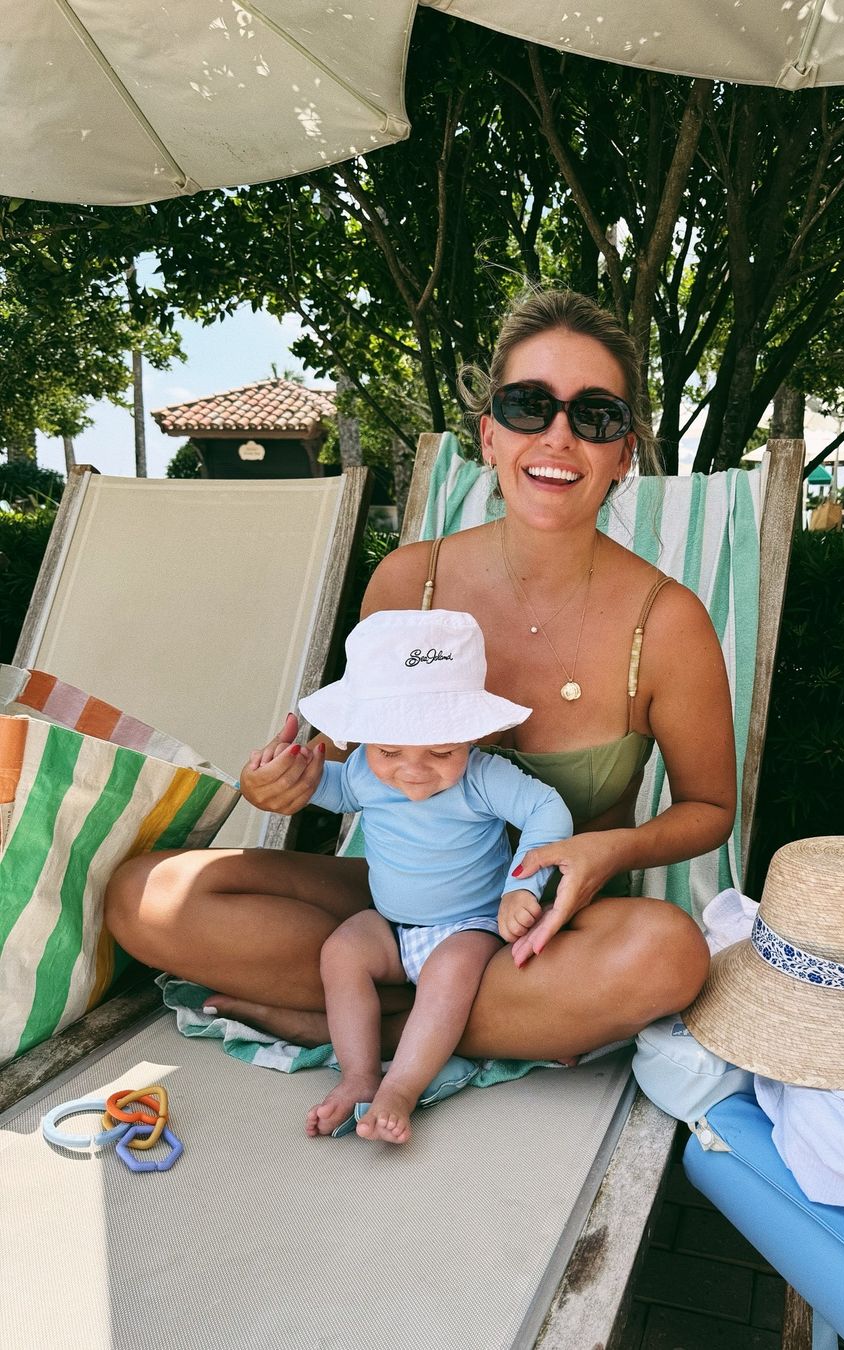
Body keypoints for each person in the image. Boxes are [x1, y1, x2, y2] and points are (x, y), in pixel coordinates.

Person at [104, 287, 736, 1066]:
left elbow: (709, 809)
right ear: (490, 434)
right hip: (397, 898)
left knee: (668, 954)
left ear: (624, 453)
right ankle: (486, 1017)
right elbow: (351, 761)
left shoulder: (665, 623)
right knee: (145, 896)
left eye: (595, 415)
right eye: (528, 406)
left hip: (547, 926)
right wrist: (288, 783)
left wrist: (607, 852)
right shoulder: (411, 583)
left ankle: (361, 1024)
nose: (559, 436)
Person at [294, 608, 573, 1142]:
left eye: (441, 751)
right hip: (392, 925)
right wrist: (294, 772)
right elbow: (334, 788)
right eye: (389, 750)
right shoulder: (363, 771)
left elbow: (548, 811)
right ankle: (358, 1075)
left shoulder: (482, 777)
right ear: (365, 741)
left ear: (470, 736)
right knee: (341, 952)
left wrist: (520, 886)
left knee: (450, 973)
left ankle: (401, 1088)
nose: (412, 769)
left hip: (469, 926)